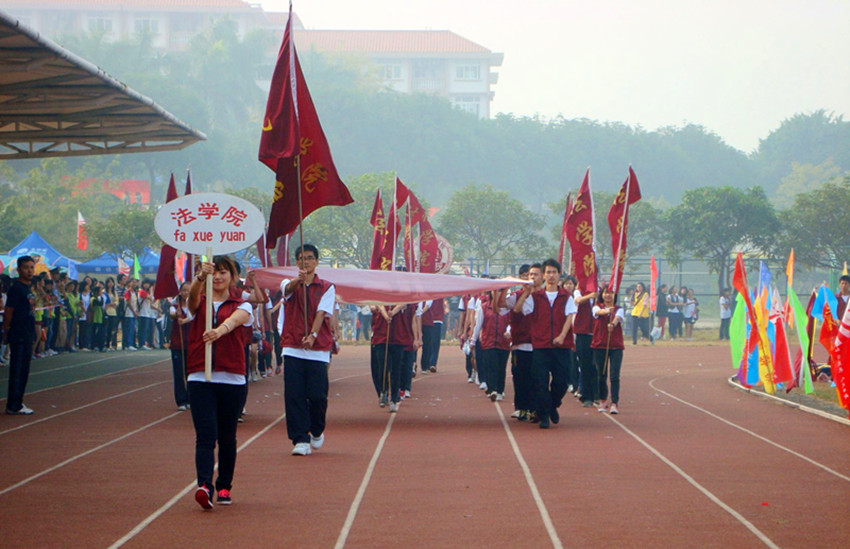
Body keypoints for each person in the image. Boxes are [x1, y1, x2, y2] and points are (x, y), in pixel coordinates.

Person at [186, 256, 252, 510]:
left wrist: (219, 331)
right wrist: (200, 278)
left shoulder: (243, 304)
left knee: (227, 436)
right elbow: (191, 302)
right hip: (200, 376)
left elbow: (236, 320)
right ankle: (204, 484)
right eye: (216, 272)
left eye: (224, 272)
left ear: (232, 276)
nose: (220, 277)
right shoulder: (200, 302)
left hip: (232, 377)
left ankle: (224, 485)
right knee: (205, 434)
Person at [280, 244, 335, 456]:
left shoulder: (327, 287)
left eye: (310, 258)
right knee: (294, 394)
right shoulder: (289, 284)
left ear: (317, 261)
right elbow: (287, 291)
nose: (306, 261)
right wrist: (298, 281)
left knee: (318, 395)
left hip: (317, 348)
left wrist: (312, 336)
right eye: (301, 258)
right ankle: (300, 439)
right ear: (296, 262)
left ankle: (317, 429)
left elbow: (322, 313)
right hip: (292, 347)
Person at [513, 258, 577, 429]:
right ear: (543, 275)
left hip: (561, 347)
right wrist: (526, 292)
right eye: (547, 272)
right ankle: (545, 416)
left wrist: (562, 336)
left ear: (558, 275)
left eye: (554, 272)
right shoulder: (536, 297)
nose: (550, 275)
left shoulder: (566, 296)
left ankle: (553, 404)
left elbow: (569, 316)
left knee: (561, 382)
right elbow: (518, 309)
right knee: (540, 382)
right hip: (540, 346)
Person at [4, 256, 37, 415]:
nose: (30, 271)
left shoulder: (28, 288)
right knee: (17, 369)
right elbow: (9, 310)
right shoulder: (16, 288)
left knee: (24, 369)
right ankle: (13, 404)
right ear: (19, 270)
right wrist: (6, 329)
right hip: (18, 332)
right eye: (26, 268)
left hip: (28, 332)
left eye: (32, 267)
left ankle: (18, 401)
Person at [592, 285, 624, 414]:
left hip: (615, 346)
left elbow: (618, 318)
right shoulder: (596, 307)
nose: (608, 295)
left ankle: (614, 402)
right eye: (606, 292)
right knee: (601, 374)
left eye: (611, 293)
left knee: (614, 375)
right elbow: (597, 313)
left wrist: (613, 323)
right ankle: (603, 399)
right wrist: (607, 311)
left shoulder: (619, 309)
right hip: (600, 345)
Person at [169, 282, 192, 411]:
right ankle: (181, 400)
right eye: (183, 290)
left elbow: (194, 316)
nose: (185, 293)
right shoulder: (175, 305)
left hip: (192, 343)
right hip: (178, 343)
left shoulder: (194, 305)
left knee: (190, 372)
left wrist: (185, 320)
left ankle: (190, 398)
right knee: (178, 372)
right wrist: (176, 315)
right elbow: (172, 314)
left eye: (188, 291)